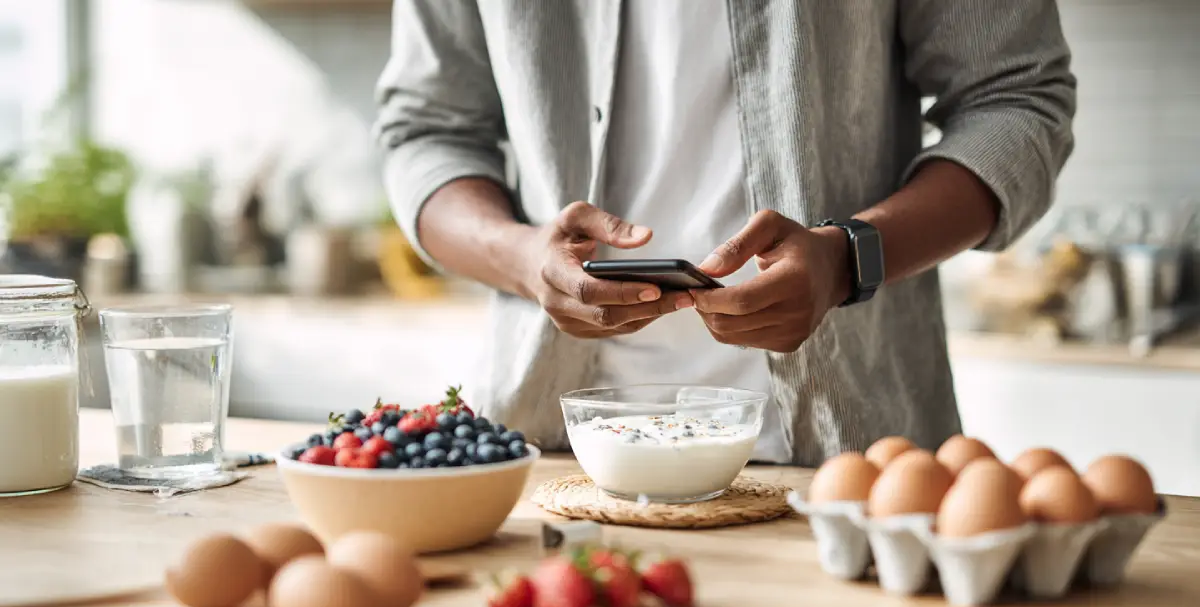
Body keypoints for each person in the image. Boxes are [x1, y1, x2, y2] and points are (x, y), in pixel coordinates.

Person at [374, 0, 1076, 466]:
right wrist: (523, 260)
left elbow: (1017, 100)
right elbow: (425, 130)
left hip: (849, 459)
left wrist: (847, 260)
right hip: (549, 451)